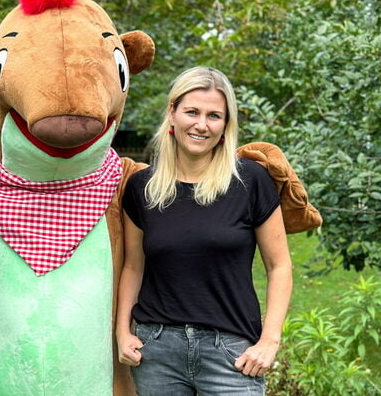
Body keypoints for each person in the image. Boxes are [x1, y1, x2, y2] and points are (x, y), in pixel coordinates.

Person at [116, 66, 293, 396]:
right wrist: (123, 332)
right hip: (156, 351)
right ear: (172, 112)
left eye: (214, 115)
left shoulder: (251, 181)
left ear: (226, 124)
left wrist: (270, 340)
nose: (201, 124)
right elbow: (132, 266)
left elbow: (279, 266)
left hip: (231, 352)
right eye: (192, 112)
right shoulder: (142, 187)